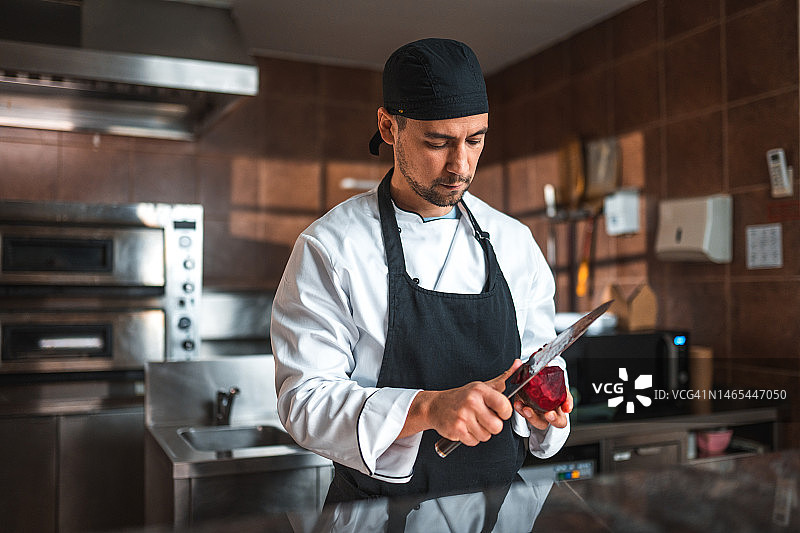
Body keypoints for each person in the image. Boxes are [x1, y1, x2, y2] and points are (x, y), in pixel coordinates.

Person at [271, 38, 572, 510]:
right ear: (389, 127)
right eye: (438, 142)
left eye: (476, 140)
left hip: (498, 511)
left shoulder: (514, 242)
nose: (461, 165)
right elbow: (304, 403)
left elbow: (541, 358)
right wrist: (428, 408)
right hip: (374, 512)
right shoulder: (331, 247)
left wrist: (540, 403)